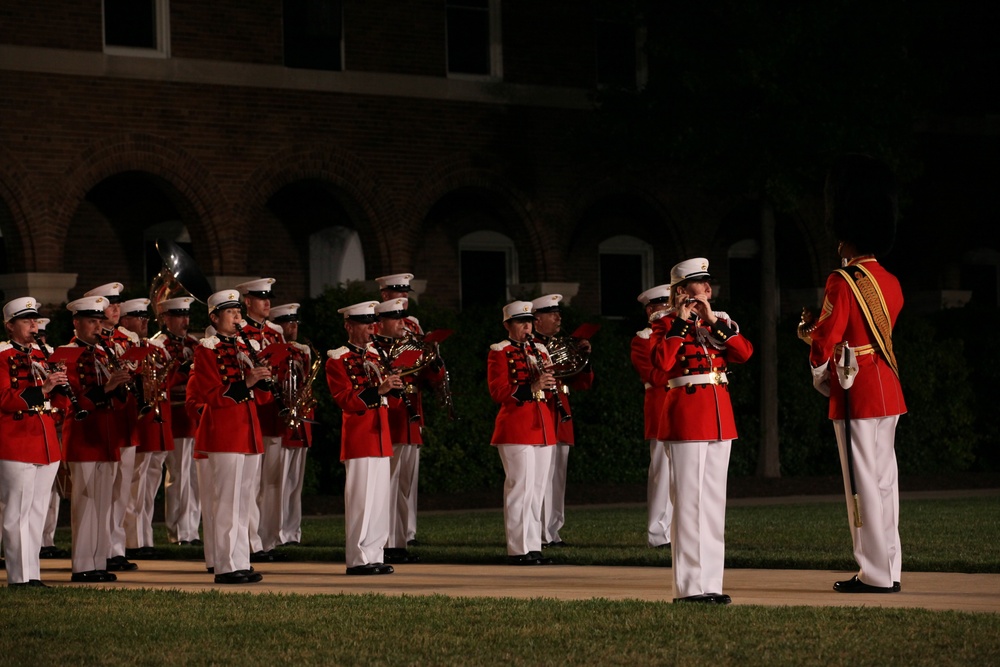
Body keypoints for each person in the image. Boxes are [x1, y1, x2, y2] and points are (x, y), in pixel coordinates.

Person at [798, 154, 906, 594]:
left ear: (846, 236)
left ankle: (873, 573)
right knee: (886, 485)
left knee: (861, 486)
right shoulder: (892, 281)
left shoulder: (842, 281)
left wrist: (810, 345)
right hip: (889, 389)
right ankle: (891, 568)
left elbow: (827, 338)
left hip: (855, 389)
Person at [650, 258, 753, 604]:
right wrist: (680, 322)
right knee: (689, 504)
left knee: (712, 505)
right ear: (681, 291)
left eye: (708, 282)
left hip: (719, 415)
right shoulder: (664, 323)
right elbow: (662, 364)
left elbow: (744, 353)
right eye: (700, 283)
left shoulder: (719, 321)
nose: (708, 289)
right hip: (686, 416)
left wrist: (710, 320)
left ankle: (711, 582)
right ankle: (690, 587)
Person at [185, 290, 270, 584]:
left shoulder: (246, 346)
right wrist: (247, 381)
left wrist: (263, 379)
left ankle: (240, 561)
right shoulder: (206, 350)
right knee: (226, 502)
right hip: (223, 432)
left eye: (238, 313)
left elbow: (260, 399)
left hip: (248, 431)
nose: (238, 318)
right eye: (231, 313)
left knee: (244, 501)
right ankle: (225, 565)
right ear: (214, 317)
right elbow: (209, 393)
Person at [60, 295, 133, 583]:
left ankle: (99, 561)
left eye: (99, 321)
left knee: (104, 502)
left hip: (106, 435)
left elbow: (115, 397)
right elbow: (72, 399)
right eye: (91, 321)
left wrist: (123, 384)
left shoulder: (104, 352)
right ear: (77, 322)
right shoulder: (66, 353)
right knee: (86, 502)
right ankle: (82, 565)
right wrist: (107, 388)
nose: (97, 326)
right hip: (83, 436)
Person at [324, 300, 397, 575]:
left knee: (379, 501)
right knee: (361, 501)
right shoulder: (338, 358)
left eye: (372, 323)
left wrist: (393, 387)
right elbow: (344, 398)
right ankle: (357, 558)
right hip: (359, 436)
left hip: (380, 435)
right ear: (349, 326)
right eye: (366, 324)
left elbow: (383, 395)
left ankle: (375, 554)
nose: (371, 328)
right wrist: (379, 390)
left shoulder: (377, 357)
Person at [372, 297, 445, 564]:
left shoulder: (408, 345)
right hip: (389, 417)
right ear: (380, 323)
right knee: (388, 485)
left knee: (404, 486)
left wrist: (433, 358)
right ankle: (386, 543)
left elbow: (431, 378)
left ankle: (399, 543)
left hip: (410, 418)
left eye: (402, 317)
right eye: (395, 318)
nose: (402, 323)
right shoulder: (375, 348)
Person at [0, 297, 67, 586]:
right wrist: (44, 389)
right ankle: (18, 577)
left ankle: (33, 574)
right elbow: (5, 399)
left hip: (46, 441)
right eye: (26, 320)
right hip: (16, 441)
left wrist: (62, 391)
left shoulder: (43, 355)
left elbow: (56, 399)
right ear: (9, 325)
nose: (33, 324)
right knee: (16, 512)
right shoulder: (1, 356)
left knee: (38, 511)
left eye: (34, 319)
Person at [488, 301, 558, 566]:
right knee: (520, 488)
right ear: (508, 325)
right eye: (521, 322)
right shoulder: (499, 351)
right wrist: (533, 386)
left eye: (529, 321)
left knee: (538, 490)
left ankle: (533, 546)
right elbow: (498, 392)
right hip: (516, 426)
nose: (527, 327)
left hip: (542, 425)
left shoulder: (539, 350)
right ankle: (518, 549)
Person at [83, 282, 141, 574]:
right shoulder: (90, 344)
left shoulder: (126, 339)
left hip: (126, 421)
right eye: (110, 304)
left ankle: (116, 547)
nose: (117, 308)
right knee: (104, 491)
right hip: (106, 422)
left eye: (118, 303)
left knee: (122, 489)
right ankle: (102, 549)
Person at [530, 294, 593, 548]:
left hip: (561, 413)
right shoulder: (531, 346)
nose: (558, 318)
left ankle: (553, 532)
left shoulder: (561, 345)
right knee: (539, 477)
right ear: (536, 320)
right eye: (551, 314)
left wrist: (584, 358)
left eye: (558, 313)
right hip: (541, 412)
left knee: (557, 477)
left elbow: (583, 383)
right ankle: (538, 532)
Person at [234, 278, 285, 563]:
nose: (267, 302)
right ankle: (253, 542)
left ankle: (269, 539)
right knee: (250, 484)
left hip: (273, 411)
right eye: (261, 298)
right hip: (252, 412)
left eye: (268, 298)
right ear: (248, 302)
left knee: (272, 483)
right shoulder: (239, 332)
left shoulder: (276, 333)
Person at [120, 298, 173, 559]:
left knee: (148, 486)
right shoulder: (123, 345)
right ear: (124, 320)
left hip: (154, 421)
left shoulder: (153, 348)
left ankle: (144, 536)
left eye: (145, 317)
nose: (144, 321)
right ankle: (133, 540)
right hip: (135, 422)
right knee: (133, 484)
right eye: (138, 317)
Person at [259, 302, 314, 550]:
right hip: (278, 420)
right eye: (288, 323)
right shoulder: (273, 350)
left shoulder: (302, 351)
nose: (293, 328)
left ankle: (292, 532)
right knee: (276, 482)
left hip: (300, 421)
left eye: (294, 323)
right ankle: (276, 532)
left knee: (294, 482)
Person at [155, 296, 202, 547]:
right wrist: (180, 370)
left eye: (186, 315)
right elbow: (158, 382)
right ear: (166, 319)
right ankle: (178, 531)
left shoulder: (195, 344)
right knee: (178, 476)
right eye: (179, 316)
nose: (185, 320)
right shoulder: (159, 344)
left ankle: (191, 529)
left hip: (193, 416)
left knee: (194, 477)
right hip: (173, 415)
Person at [631, 284, 674, 549]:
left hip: (684, 408)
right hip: (661, 408)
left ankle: (677, 531)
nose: (669, 309)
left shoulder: (677, 333)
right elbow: (654, 376)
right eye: (664, 305)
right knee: (662, 474)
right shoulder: (643, 339)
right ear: (651, 310)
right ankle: (658, 535)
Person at [34, 317, 70, 560]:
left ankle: (46, 540)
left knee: (51, 492)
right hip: (27, 431)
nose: (41, 340)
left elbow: (60, 400)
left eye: (43, 336)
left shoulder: (49, 358)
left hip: (51, 428)